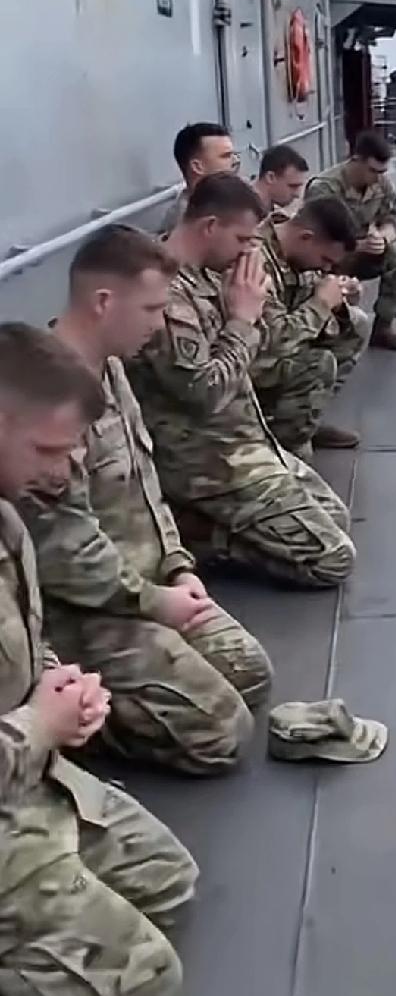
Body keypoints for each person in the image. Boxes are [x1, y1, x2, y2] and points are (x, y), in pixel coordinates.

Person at [0, 322, 197, 996]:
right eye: (48, 450)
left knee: (168, 880)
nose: (63, 471)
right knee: (140, 987)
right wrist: (38, 727)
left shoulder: (7, 520)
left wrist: (57, 681)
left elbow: (21, 641)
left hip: (20, 773)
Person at [19, 226, 272, 777]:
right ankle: (73, 723)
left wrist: (178, 566)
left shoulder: (111, 369)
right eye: (152, 309)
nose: (160, 324)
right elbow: (67, 555)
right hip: (84, 609)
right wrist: (155, 602)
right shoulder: (47, 409)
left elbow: (146, 480)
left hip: (147, 582)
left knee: (251, 672)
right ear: (104, 302)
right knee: (221, 735)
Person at [127, 174, 355, 588]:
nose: (251, 249)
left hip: (243, 434)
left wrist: (253, 311)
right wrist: (242, 319)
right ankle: (201, 533)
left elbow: (261, 349)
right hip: (205, 459)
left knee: (337, 518)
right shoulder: (167, 296)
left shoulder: (213, 273)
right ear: (210, 227)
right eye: (242, 239)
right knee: (333, 559)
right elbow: (203, 393)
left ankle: (220, 523)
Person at [254, 195, 370, 456]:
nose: (326, 267)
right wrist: (322, 303)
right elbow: (274, 342)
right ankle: (284, 446)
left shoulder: (297, 253)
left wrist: (338, 297)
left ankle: (305, 417)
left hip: (284, 341)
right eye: (325, 259)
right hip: (252, 357)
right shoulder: (256, 262)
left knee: (356, 324)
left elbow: (306, 299)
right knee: (318, 364)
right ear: (306, 237)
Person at [306, 131, 396, 352]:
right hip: (328, 259)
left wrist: (383, 238)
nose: (378, 177)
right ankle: (322, 332)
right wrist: (356, 245)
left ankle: (383, 327)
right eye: (373, 170)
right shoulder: (325, 187)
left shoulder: (381, 183)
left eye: (382, 172)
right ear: (356, 160)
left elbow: (393, 218)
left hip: (363, 252)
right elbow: (316, 237)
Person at [163, 121, 239, 229]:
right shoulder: (187, 222)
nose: (235, 161)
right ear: (197, 167)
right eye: (226, 156)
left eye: (234, 155)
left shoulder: (225, 203)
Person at [254, 143, 310, 216]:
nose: (297, 194)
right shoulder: (245, 210)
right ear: (270, 177)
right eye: (292, 186)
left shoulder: (255, 210)